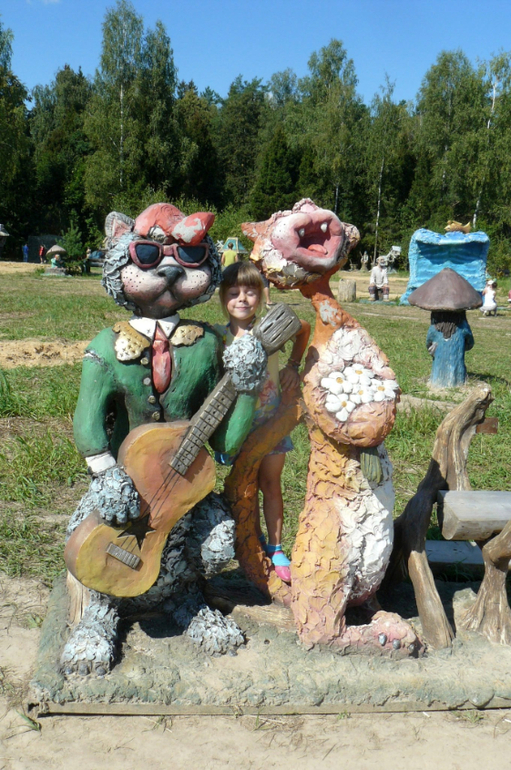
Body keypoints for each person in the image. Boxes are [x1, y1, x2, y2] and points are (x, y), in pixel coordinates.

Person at [215, 261, 310, 583]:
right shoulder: (218, 338)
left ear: (261, 295)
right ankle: (249, 541)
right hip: (237, 429)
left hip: (270, 424)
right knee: (244, 487)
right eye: (234, 293)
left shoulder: (270, 328)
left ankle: (276, 546)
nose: (242, 299)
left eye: (250, 292)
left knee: (271, 484)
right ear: (223, 298)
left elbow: (303, 327)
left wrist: (293, 365)